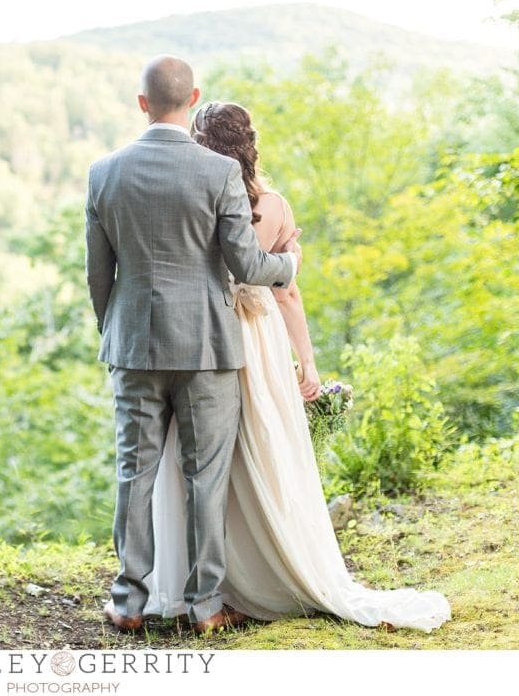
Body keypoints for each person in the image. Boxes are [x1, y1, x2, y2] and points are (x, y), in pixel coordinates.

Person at [142, 101, 452, 633]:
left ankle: (194, 584)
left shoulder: (188, 196)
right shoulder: (274, 205)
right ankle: (268, 569)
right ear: (250, 142)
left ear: (198, 141)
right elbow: (286, 293)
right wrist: (305, 362)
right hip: (257, 342)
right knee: (263, 448)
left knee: (196, 456)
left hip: (199, 338)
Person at [85, 55, 303, 635]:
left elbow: (97, 276)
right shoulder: (218, 174)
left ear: (142, 103)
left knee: (135, 470)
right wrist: (288, 265)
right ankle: (205, 605)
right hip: (208, 345)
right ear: (194, 97)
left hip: (132, 345)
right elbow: (246, 263)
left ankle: (128, 601)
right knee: (205, 475)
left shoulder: (103, 172)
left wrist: (118, 331)